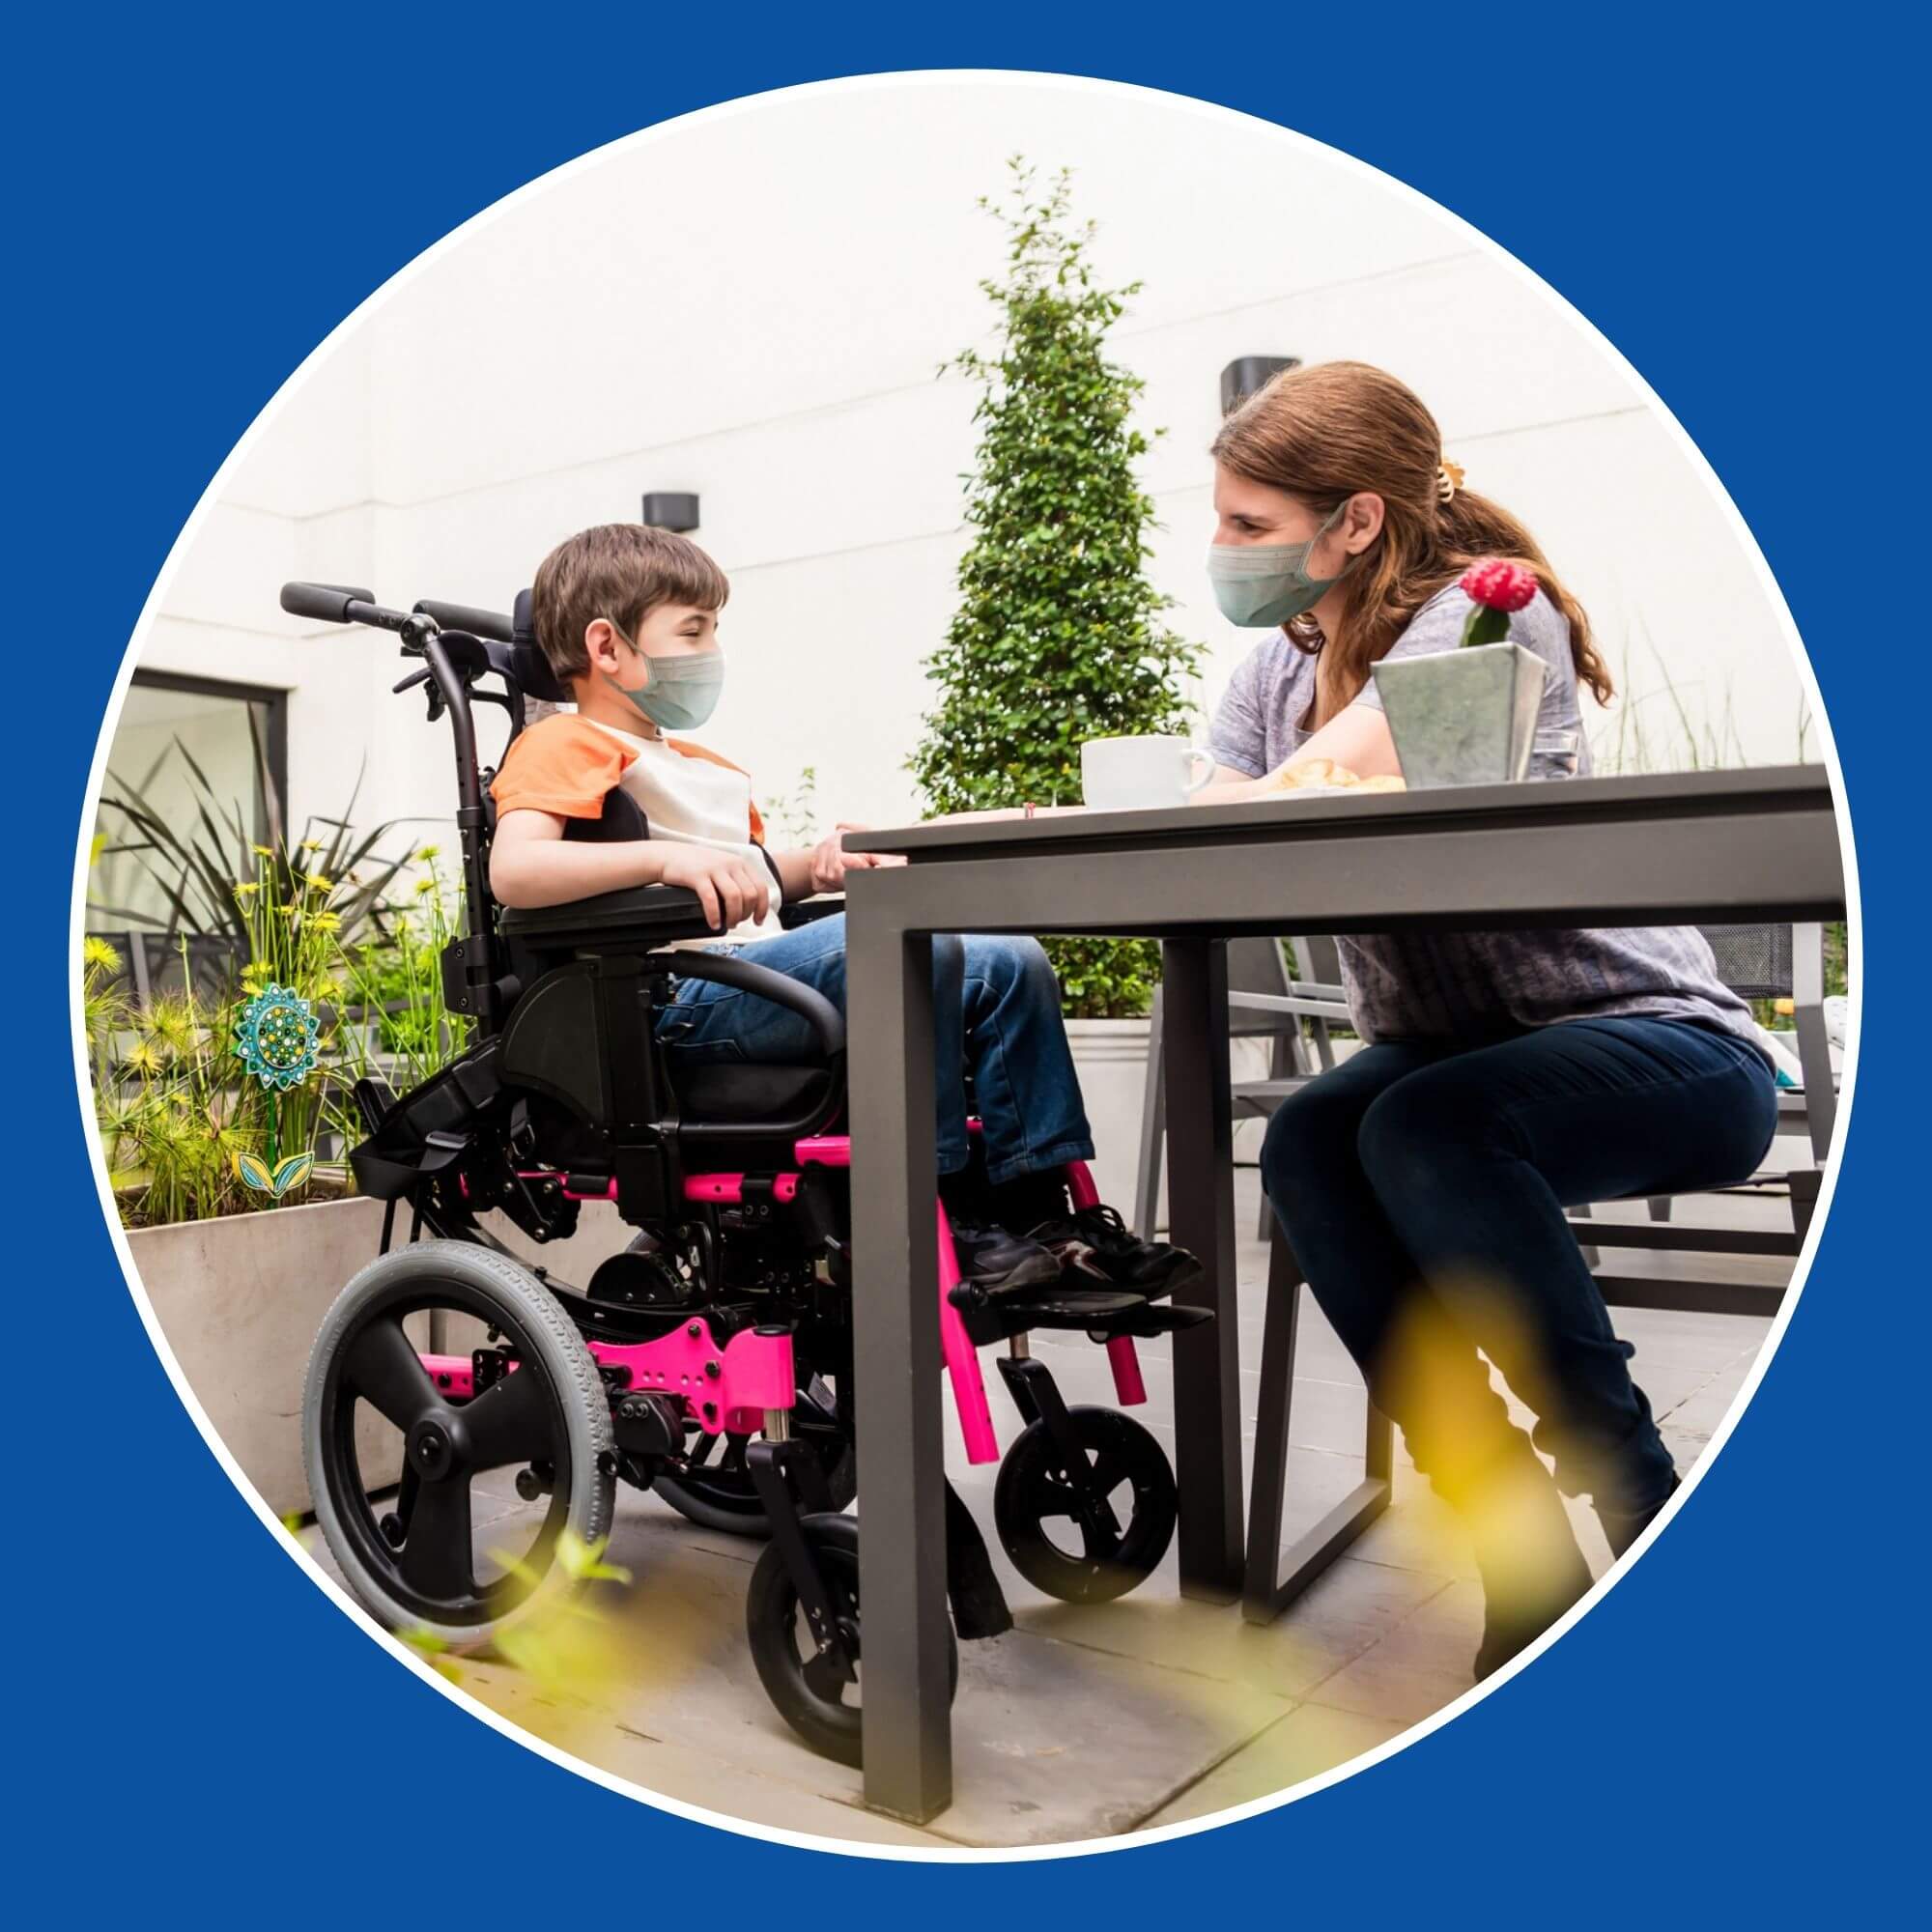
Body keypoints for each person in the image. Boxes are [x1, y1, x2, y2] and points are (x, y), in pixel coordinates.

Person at [1201, 361, 1776, 1675]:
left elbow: (1316, 781)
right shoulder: (1265, 676)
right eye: (1220, 519)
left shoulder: (1482, 618)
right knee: (1309, 1144)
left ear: (1354, 521)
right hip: (1454, 1056)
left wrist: (1247, 787)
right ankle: (1513, 1535)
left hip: (1663, 1043)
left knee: (1427, 1126)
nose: (1219, 552)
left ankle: (1641, 1506)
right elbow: (1219, 818)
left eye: (1249, 526)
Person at [488, 522, 1191, 1303]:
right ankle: (945, 1213)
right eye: (693, 630)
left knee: (1007, 957)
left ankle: (1043, 1218)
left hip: (749, 978)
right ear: (607, 647)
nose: (711, 649)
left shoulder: (701, 767)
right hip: (671, 1001)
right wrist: (663, 859)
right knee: (907, 947)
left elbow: (754, 881)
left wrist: (822, 861)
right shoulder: (563, 744)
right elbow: (514, 872)